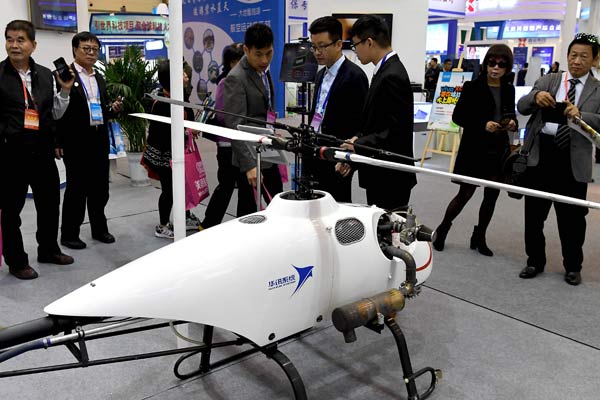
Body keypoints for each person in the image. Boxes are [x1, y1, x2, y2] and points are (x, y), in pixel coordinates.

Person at [516, 33, 600, 285]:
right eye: (573, 55)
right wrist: (535, 98)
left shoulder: (598, 89)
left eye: (584, 56)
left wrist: (582, 114)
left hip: (573, 159)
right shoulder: (549, 79)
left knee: (573, 219)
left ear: (595, 60)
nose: (576, 61)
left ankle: (573, 266)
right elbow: (522, 105)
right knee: (533, 215)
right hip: (541, 155)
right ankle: (534, 261)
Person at [0, 20, 75, 279]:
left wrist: (64, 92)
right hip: (11, 154)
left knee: (50, 204)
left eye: (20, 40)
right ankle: (16, 260)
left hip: (42, 151)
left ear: (33, 45)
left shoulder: (45, 74)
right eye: (10, 39)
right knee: (10, 211)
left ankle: (49, 250)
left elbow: (52, 112)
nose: (14, 45)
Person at [432, 44, 518, 256]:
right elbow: (458, 117)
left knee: (491, 196)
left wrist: (513, 122)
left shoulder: (508, 88)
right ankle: (443, 228)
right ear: (486, 63)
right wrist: (483, 124)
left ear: (507, 67)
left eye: (501, 64)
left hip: (498, 148)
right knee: (465, 193)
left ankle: (479, 236)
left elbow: (509, 112)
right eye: (492, 63)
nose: (495, 68)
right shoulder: (472, 87)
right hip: (474, 148)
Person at [342, 15, 416, 210]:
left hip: (390, 174)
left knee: (387, 231)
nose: (355, 51)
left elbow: (395, 131)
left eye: (355, 45)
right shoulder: (383, 71)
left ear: (369, 42)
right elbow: (376, 122)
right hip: (381, 170)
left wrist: (359, 144)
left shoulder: (392, 75)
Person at [57, 31, 123, 250]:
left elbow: (99, 109)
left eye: (95, 49)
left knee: (100, 188)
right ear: (75, 49)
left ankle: (99, 228)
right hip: (75, 141)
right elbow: (57, 110)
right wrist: (57, 141)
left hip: (98, 139)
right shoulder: (64, 75)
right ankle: (69, 234)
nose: (91, 53)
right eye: (86, 48)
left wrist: (111, 109)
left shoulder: (99, 77)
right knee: (77, 188)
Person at [304, 16, 368, 202]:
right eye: (314, 47)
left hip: (338, 156)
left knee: (337, 208)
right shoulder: (320, 74)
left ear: (339, 44)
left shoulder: (355, 76)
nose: (317, 52)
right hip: (317, 151)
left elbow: (362, 124)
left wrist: (349, 158)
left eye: (322, 46)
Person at [223, 23, 283, 217]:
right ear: (246, 50)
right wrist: (250, 165)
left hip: (267, 151)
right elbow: (234, 126)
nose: (265, 60)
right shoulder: (236, 78)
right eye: (259, 54)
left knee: (277, 204)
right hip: (250, 157)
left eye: (269, 53)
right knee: (248, 212)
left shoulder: (262, 69)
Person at [142, 60, 199, 239]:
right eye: (182, 73)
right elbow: (165, 136)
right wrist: (188, 130)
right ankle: (162, 225)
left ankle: (185, 216)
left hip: (179, 153)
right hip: (165, 156)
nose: (186, 76)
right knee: (170, 190)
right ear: (172, 78)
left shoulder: (182, 96)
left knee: (185, 186)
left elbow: (187, 119)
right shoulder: (162, 104)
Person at [200, 43, 244, 228]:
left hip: (242, 144)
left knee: (245, 188)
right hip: (228, 145)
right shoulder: (226, 82)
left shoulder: (243, 80)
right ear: (233, 62)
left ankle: (243, 225)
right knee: (226, 186)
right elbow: (222, 114)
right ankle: (209, 224)